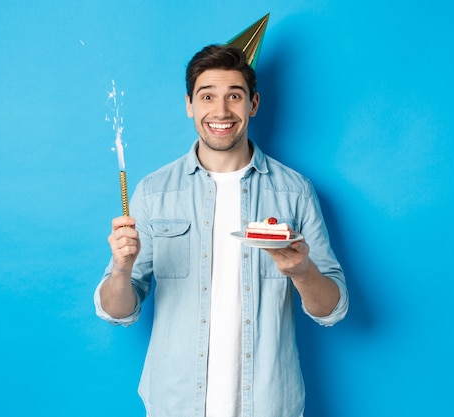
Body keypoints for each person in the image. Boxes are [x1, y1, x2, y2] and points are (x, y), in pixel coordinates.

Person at [94, 44, 348, 417]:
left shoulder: (295, 191)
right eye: (207, 96)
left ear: (254, 104)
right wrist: (121, 269)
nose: (221, 111)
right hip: (174, 404)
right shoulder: (153, 191)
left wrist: (302, 271)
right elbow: (119, 311)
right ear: (189, 105)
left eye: (234, 96)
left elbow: (333, 309)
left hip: (268, 404)